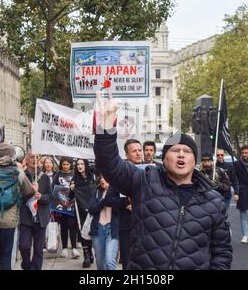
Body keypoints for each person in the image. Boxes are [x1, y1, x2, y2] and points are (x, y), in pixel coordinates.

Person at [93, 92, 232, 270]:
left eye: (187, 151)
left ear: (194, 160)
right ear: (164, 159)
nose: (181, 154)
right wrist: (105, 129)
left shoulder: (214, 200)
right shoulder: (144, 181)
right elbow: (109, 165)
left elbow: (222, 252)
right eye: (175, 151)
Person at [19, 156, 53, 270]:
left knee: (38, 250)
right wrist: (31, 192)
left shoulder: (44, 177)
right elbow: (18, 197)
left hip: (41, 219)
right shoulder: (21, 176)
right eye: (31, 157)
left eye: (36, 157)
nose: (34, 159)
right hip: (26, 218)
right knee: (24, 246)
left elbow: (50, 196)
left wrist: (41, 197)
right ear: (26, 160)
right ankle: (26, 265)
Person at [88, 174, 123, 270]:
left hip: (112, 229)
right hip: (98, 229)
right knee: (100, 262)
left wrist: (110, 198)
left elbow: (120, 208)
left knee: (110, 260)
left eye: (106, 179)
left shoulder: (117, 193)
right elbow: (91, 209)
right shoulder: (96, 192)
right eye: (101, 179)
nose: (103, 181)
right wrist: (103, 202)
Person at [118, 139, 143, 270]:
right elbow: (110, 199)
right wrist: (127, 203)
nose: (138, 153)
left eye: (140, 150)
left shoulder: (151, 171)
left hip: (146, 226)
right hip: (127, 227)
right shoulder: (120, 174)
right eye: (134, 151)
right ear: (127, 155)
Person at [69, 158, 96, 268]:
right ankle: (86, 255)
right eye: (78, 164)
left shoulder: (92, 177)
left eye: (82, 163)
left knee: (90, 232)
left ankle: (90, 252)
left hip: (93, 209)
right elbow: (70, 196)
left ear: (86, 165)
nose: (80, 166)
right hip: (80, 210)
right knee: (83, 231)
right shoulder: (74, 179)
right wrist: (71, 189)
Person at [53, 157, 79, 259]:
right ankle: (64, 248)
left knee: (72, 225)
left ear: (71, 165)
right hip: (61, 204)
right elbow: (53, 188)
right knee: (63, 226)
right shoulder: (57, 175)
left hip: (72, 203)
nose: (65, 166)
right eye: (63, 164)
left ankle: (74, 247)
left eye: (67, 164)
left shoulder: (75, 175)